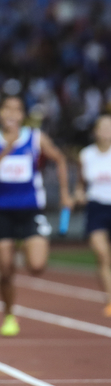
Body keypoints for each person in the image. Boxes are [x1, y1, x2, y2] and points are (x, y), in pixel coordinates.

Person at [0, 94, 72, 335]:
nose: (11, 114)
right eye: (6, 109)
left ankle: (25, 247)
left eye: (16, 110)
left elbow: (60, 159)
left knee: (37, 265)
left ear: (22, 115)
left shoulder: (34, 138)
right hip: (3, 212)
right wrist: (5, 150)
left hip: (31, 210)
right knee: (5, 270)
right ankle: (9, 316)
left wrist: (64, 193)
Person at [76, 115, 111, 317]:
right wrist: (79, 193)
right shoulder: (86, 155)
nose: (107, 131)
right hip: (96, 207)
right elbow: (81, 184)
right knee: (102, 254)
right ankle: (110, 300)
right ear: (95, 131)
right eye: (103, 127)